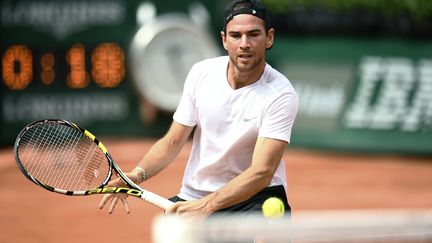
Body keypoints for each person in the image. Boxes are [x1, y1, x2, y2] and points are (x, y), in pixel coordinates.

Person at [99, 0, 298, 218]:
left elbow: (262, 172)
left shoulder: (280, 94)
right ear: (224, 40)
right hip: (195, 193)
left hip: (257, 196)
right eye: (235, 35)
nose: (244, 44)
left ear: (269, 37)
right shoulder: (201, 73)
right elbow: (173, 140)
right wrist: (137, 175)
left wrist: (206, 206)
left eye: (253, 34)